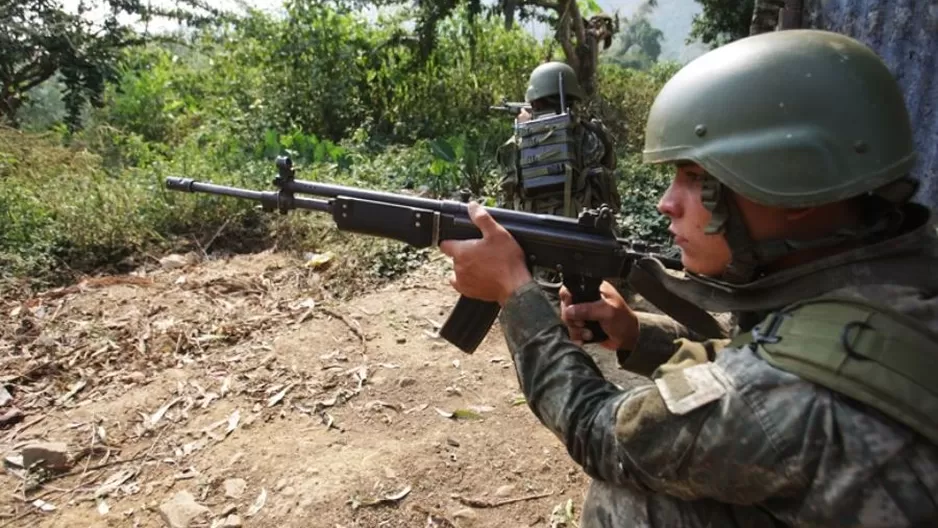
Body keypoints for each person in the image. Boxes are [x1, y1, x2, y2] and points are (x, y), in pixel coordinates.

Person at [440, 29, 938, 527]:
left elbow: (600, 433)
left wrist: (515, 294)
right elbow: (785, 350)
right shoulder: (897, 275)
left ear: (790, 181)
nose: (667, 203)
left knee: (627, 503)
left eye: (696, 178)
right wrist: (639, 335)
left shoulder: (769, 400)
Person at [496, 61, 622, 300]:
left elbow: (508, 185)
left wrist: (523, 129)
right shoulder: (594, 134)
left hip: (535, 235)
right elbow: (610, 164)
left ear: (534, 99)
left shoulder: (519, 141)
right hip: (588, 233)